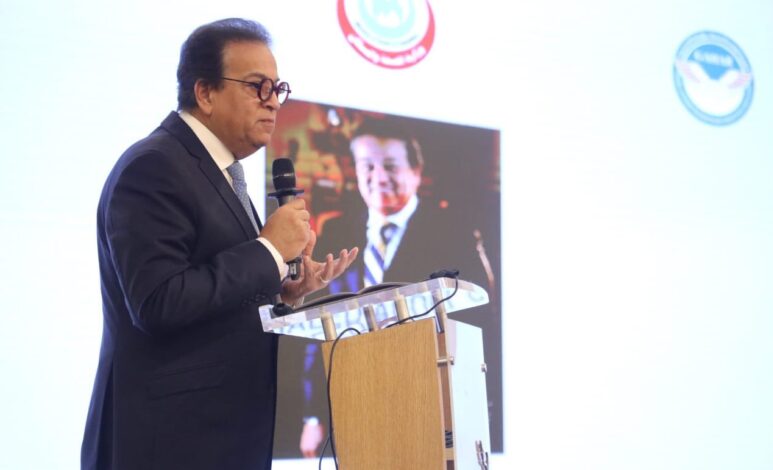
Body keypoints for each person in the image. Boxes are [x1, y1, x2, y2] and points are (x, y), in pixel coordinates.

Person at [80, 18, 357, 470]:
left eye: (277, 88)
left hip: (220, 440)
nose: (273, 102)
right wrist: (269, 251)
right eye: (257, 87)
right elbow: (158, 302)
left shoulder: (219, 172)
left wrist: (281, 289)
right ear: (205, 92)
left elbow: (213, 291)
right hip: (167, 445)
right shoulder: (154, 167)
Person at [295, 116, 493, 456]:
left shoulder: (453, 231)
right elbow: (319, 328)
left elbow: (481, 322)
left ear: (416, 171)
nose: (378, 177)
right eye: (367, 167)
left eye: (390, 166)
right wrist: (313, 416)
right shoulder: (337, 231)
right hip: (355, 403)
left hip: (429, 403)